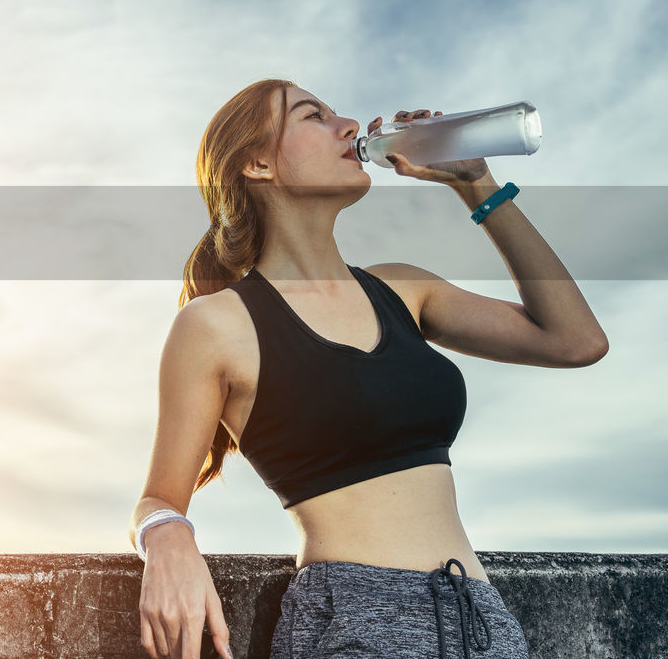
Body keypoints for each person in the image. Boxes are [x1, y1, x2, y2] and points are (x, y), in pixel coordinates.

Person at [129, 79, 608, 659]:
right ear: (256, 162)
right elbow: (159, 498)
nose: (350, 126)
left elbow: (576, 341)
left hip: (480, 618)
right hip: (354, 623)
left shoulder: (404, 288)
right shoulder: (216, 326)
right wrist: (169, 538)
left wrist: (475, 184)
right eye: (314, 116)